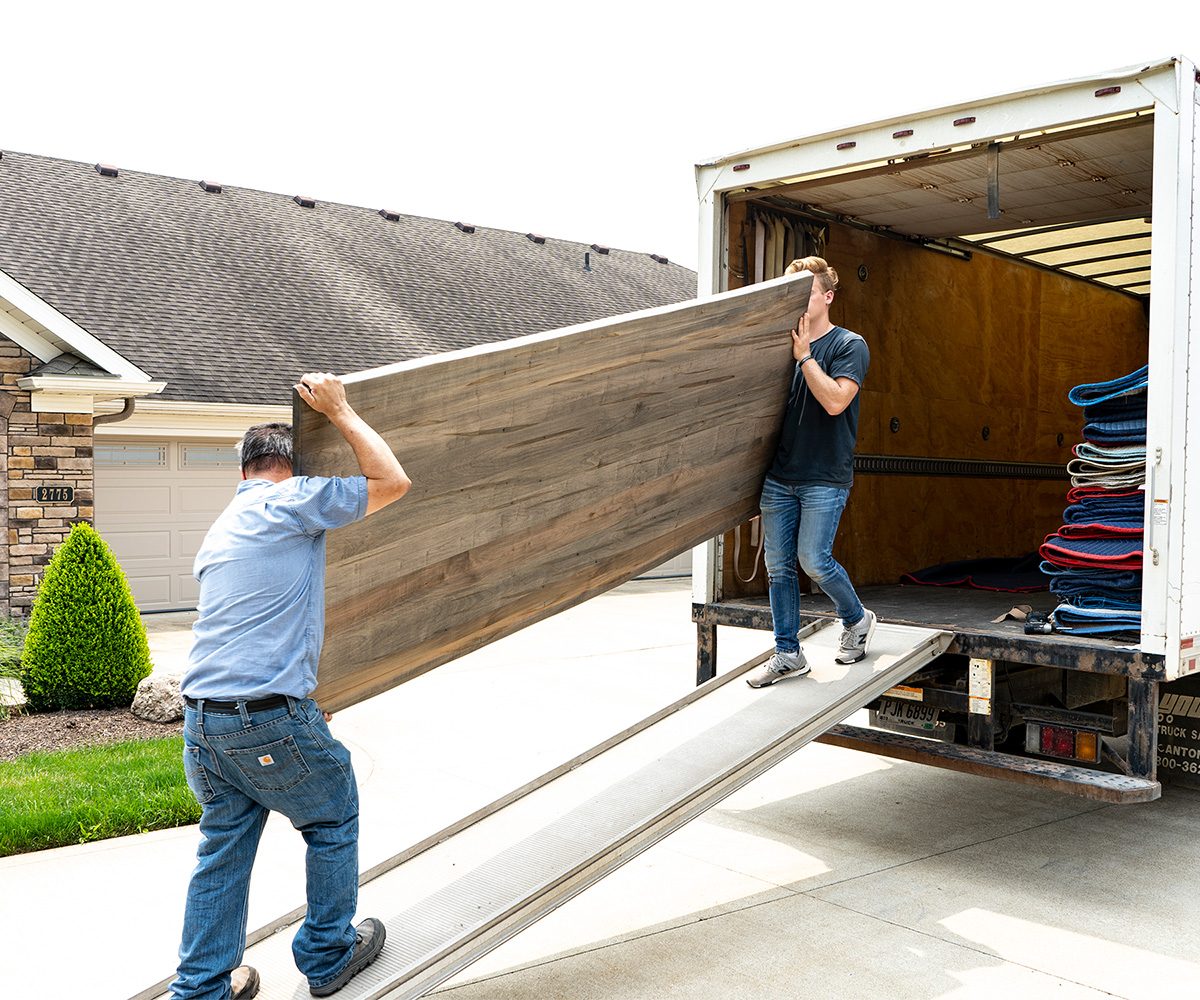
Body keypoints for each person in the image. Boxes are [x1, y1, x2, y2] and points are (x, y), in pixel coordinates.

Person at [170, 372, 411, 1000]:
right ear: (294, 468)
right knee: (331, 817)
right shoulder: (289, 500)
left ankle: (200, 987)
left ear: (242, 470)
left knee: (223, 849)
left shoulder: (227, 522)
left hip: (203, 723)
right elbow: (392, 482)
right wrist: (341, 410)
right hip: (262, 717)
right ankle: (328, 954)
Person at [746, 257, 875, 688]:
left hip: (824, 476)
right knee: (779, 567)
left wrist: (804, 358)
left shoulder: (849, 345)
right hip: (780, 477)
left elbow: (836, 401)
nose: (798, 298)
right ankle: (787, 653)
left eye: (807, 290)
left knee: (814, 560)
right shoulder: (779, 345)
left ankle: (856, 619)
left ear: (828, 297)